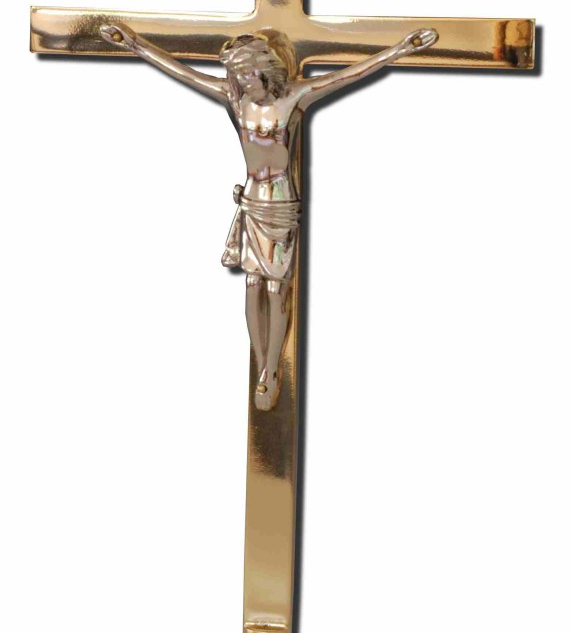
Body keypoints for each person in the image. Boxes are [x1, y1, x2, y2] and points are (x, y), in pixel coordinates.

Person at [101, 23, 438, 410]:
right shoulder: (237, 100)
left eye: (248, 74)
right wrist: (135, 45)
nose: (244, 82)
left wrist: (399, 50)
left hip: (280, 205)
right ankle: (262, 362)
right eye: (238, 76)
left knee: (276, 289)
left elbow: (347, 76)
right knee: (251, 286)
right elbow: (184, 73)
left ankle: (273, 366)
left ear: (265, 70)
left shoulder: (293, 97)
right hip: (252, 201)